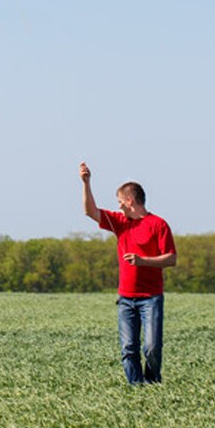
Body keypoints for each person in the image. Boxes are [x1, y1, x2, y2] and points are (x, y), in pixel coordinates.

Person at [79, 162, 176, 385]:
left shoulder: (158, 225)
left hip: (151, 298)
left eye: (120, 201)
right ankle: (136, 389)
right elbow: (90, 211)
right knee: (128, 348)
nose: (119, 205)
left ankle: (152, 384)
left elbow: (171, 258)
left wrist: (143, 261)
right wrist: (86, 183)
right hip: (125, 299)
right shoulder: (120, 223)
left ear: (130, 201)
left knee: (151, 348)